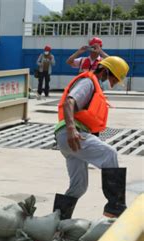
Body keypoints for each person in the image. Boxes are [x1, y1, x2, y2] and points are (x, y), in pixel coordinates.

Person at [53, 56, 129, 219]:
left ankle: (56, 221)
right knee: (110, 154)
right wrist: (72, 129)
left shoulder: (94, 84)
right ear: (106, 71)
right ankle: (115, 206)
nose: (114, 82)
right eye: (114, 77)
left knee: (79, 187)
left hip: (69, 137)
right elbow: (69, 102)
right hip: (72, 134)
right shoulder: (88, 82)